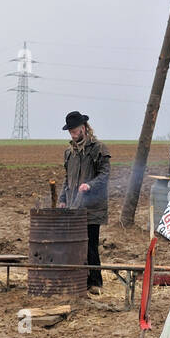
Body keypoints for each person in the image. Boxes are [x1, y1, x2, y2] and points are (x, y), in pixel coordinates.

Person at [58, 111, 111, 296]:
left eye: (75, 130)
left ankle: (95, 282)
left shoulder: (98, 149)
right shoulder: (69, 153)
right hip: (74, 206)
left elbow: (104, 175)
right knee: (75, 244)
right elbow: (67, 179)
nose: (73, 134)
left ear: (84, 128)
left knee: (90, 245)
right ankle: (80, 280)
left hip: (92, 207)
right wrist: (63, 200)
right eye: (70, 132)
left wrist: (90, 185)